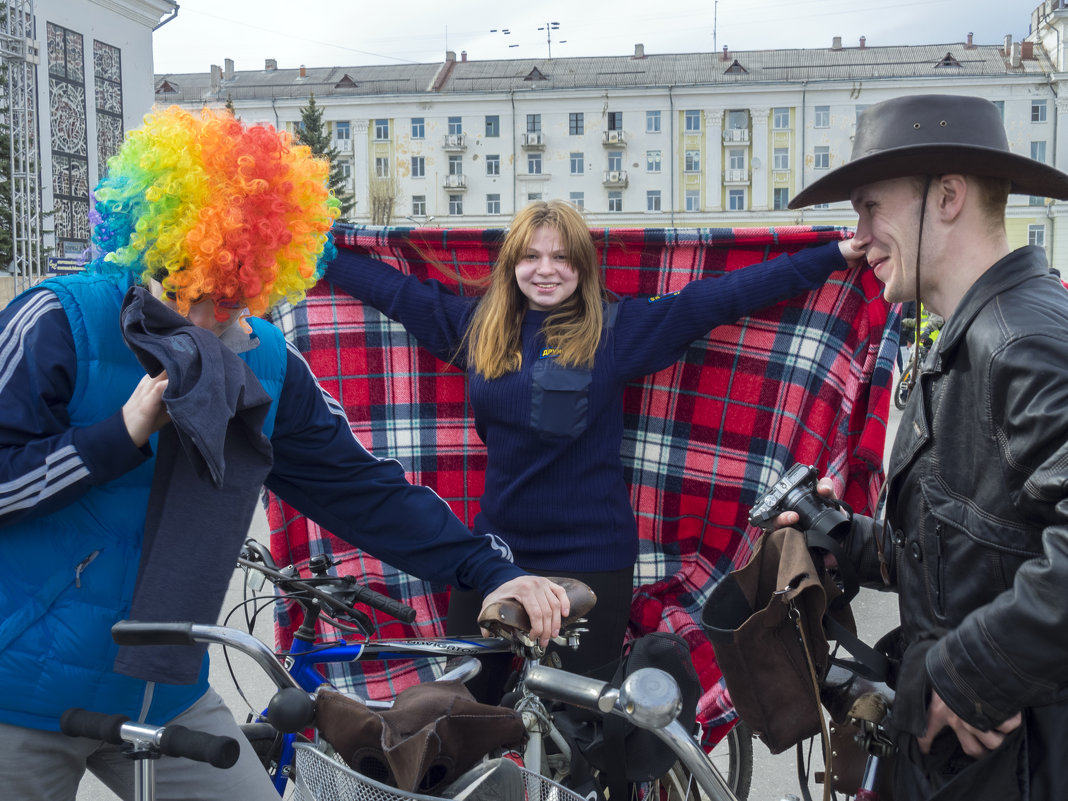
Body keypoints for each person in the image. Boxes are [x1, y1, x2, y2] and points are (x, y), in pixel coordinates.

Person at [0, 106, 568, 801]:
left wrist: (487, 569)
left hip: (161, 692)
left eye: (242, 296)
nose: (220, 320)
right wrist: (117, 435)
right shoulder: (59, 320)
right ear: (159, 248)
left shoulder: (263, 360)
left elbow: (360, 488)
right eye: (203, 291)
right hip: (15, 694)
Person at [324, 199, 863, 695]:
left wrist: (836, 254)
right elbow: (395, 293)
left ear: (582, 266)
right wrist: (317, 254)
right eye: (531, 256)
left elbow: (721, 298)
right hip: (493, 557)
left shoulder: (617, 330)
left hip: (592, 561)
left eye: (562, 257)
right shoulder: (477, 327)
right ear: (512, 264)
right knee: (464, 710)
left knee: (582, 731)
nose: (546, 269)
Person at [783, 94, 1068, 799]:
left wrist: (966, 669)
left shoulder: (1023, 340)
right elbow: (982, 539)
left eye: (871, 207)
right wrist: (848, 538)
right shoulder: (967, 336)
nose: (859, 235)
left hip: (1020, 763)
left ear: (946, 197)